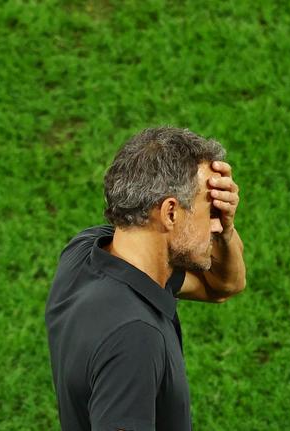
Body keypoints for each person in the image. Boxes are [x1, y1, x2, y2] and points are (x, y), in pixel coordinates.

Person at [45, 127, 246, 431]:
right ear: (170, 213)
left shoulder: (85, 252)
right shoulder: (134, 338)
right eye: (210, 211)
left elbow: (222, 287)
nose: (216, 225)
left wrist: (227, 231)